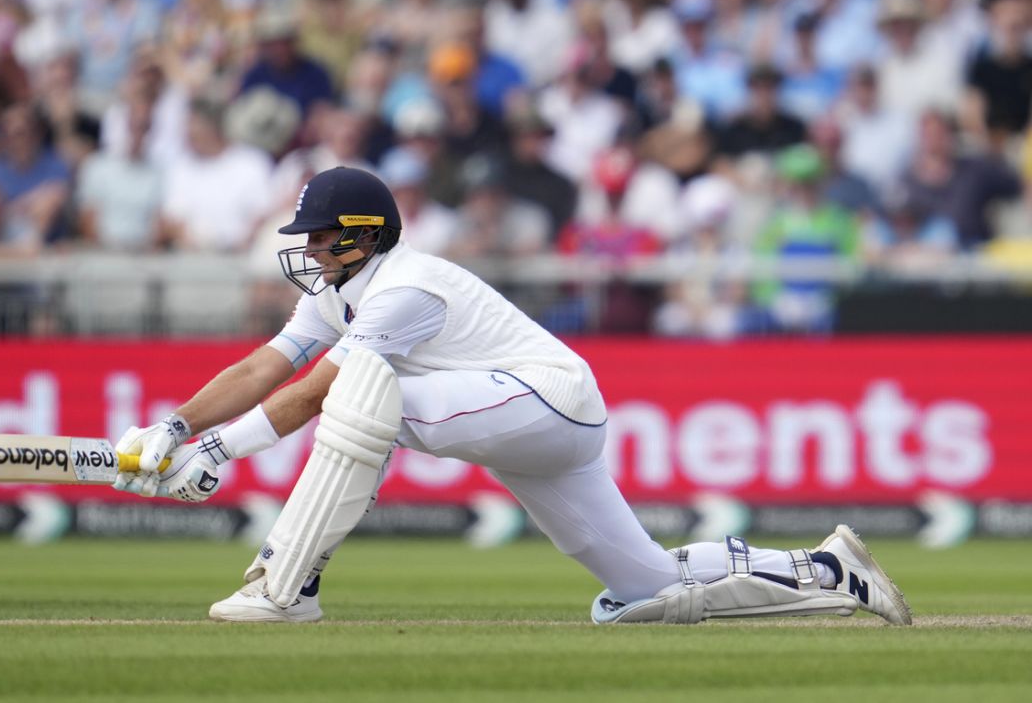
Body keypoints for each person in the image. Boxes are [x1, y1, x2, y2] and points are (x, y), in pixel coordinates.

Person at [111, 166, 912, 627]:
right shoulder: (339, 292)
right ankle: (829, 571)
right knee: (643, 593)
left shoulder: (405, 286)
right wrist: (174, 428)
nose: (311, 251)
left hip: (548, 401)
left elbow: (320, 388)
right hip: (534, 423)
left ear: (364, 233)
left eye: (322, 237)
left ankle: (287, 584)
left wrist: (219, 451)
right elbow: (266, 366)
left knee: (364, 394)